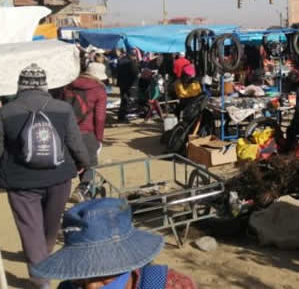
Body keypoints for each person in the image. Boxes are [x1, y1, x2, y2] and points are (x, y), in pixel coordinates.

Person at [0, 64, 91, 289]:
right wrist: (84, 164)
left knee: (30, 229)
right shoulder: (61, 108)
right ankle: (44, 256)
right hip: (59, 178)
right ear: (44, 85)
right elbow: (74, 142)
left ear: (20, 85)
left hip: (21, 182)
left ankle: (41, 280)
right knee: (51, 225)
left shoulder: (6, 111)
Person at [31, 198, 197, 289]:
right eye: (79, 278)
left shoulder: (174, 286)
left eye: (104, 275)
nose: (91, 287)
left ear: (128, 261)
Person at [64, 62, 108, 203]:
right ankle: (82, 190)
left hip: (67, 131)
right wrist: (99, 138)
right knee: (90, 164)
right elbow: (100, 117)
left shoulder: (68, 85)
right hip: (87, 132)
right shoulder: (99, 90)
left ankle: (64, 194)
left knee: (70, 164)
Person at [117, 49, 140, 124]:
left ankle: (121, 116)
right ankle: (123, 117)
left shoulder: (120, 60)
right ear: (131, 56)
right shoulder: (131, 62)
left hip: (121, 83)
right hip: (129, 83)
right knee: (127, 100)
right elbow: (135, 73)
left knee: (123, 99)